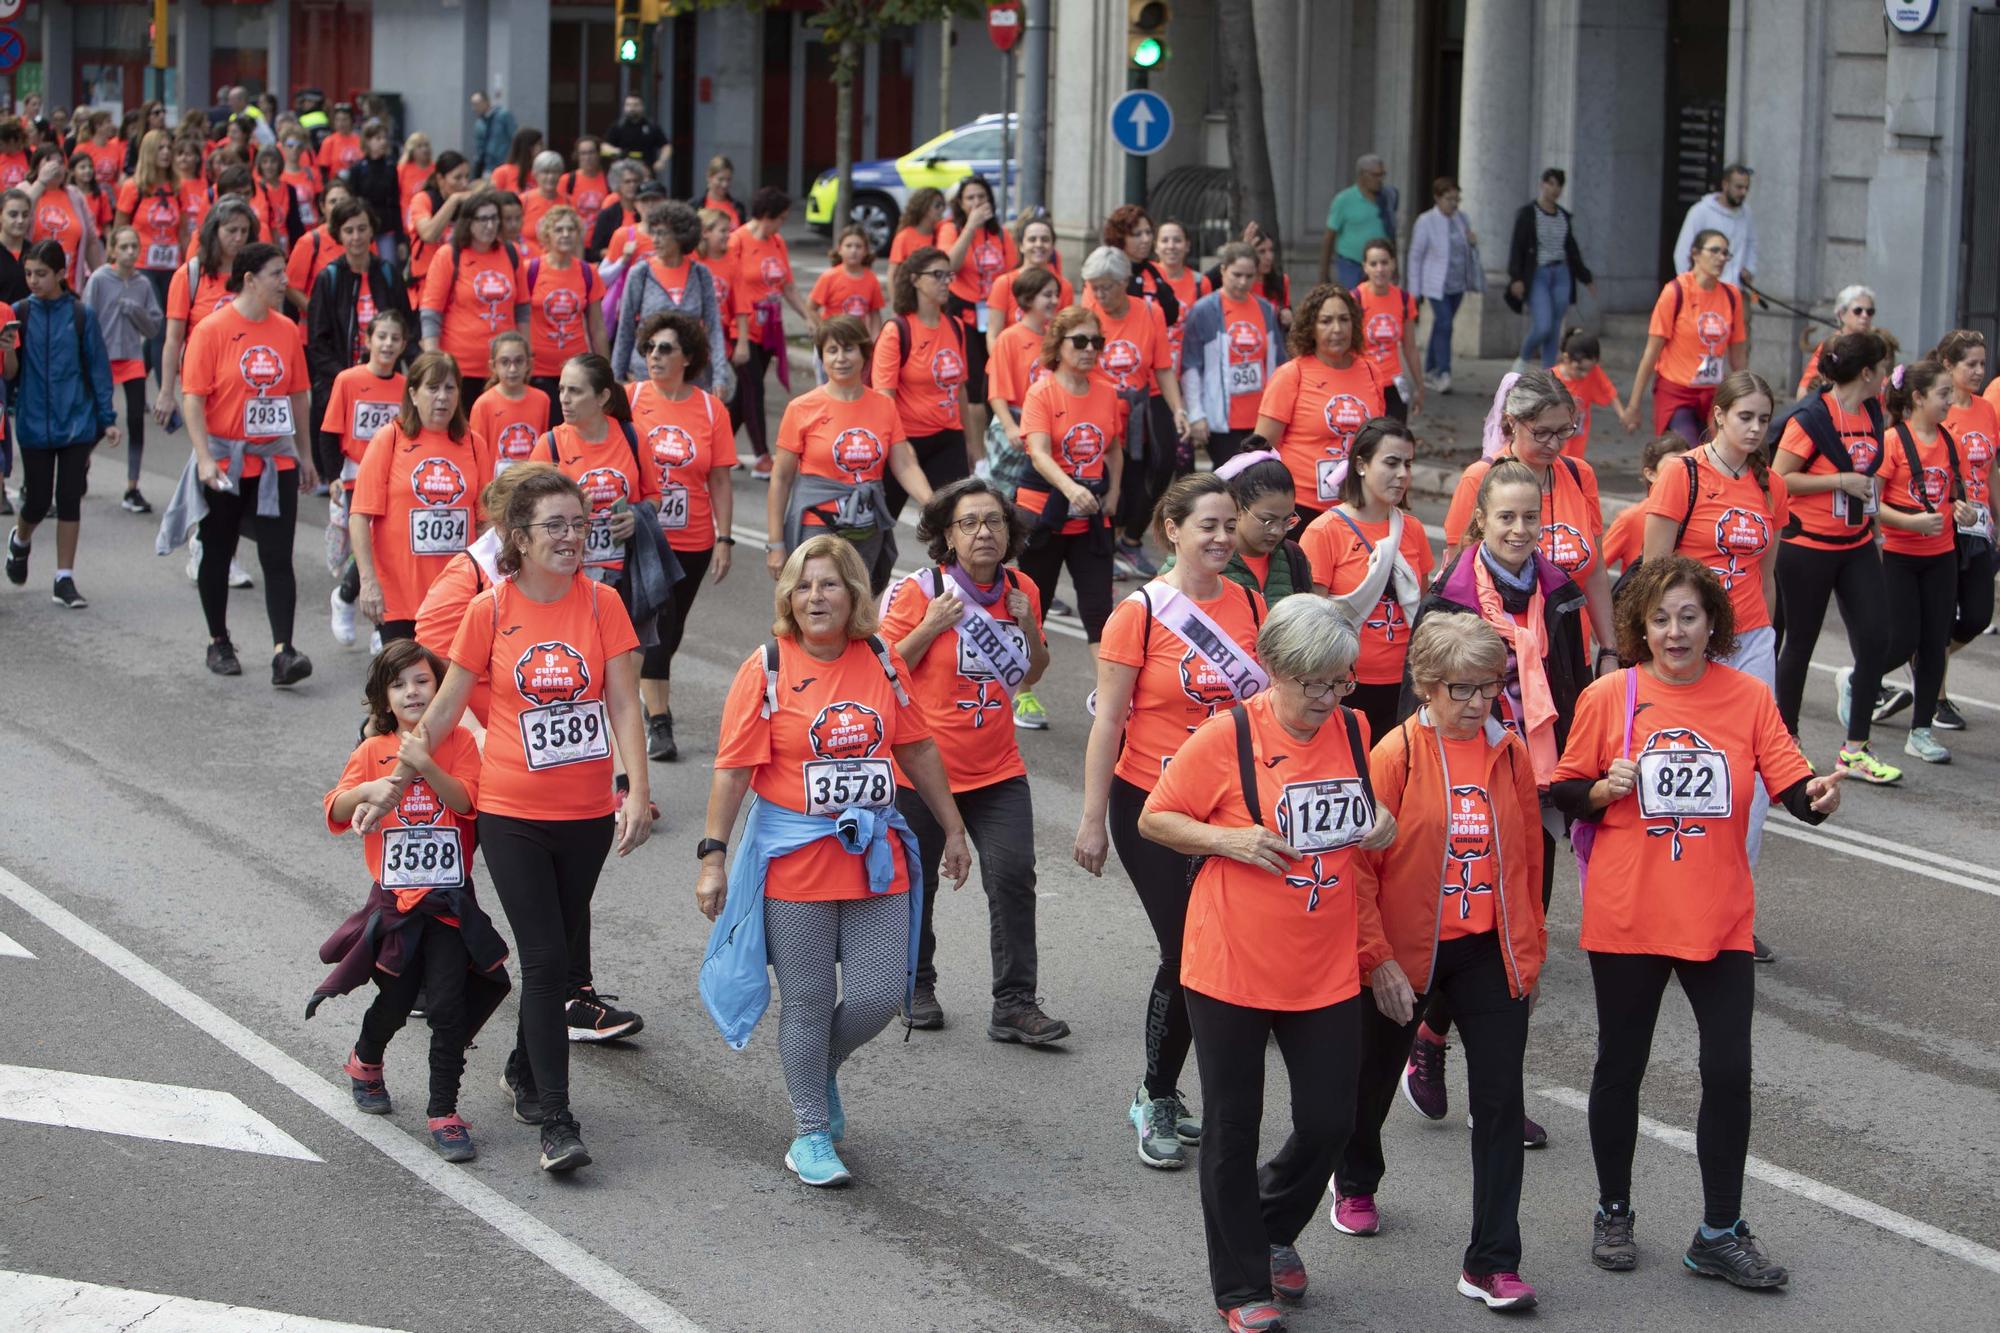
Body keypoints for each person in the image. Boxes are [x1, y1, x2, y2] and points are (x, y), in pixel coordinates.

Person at [1551, 557, 1843, 1289]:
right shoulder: (1609, 694)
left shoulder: (1745, 696)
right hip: (1629, 912)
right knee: (1621, 1066)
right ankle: (1613, 1208)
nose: (1675, 631)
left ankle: (1718, 1230)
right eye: (1660, 618)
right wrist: (1598, 788)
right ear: (1639, 627)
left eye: (1688, 616)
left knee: (1729, 1070)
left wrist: (1819, 795)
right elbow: (1561, 792)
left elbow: (1791, 782)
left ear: (1713, 622)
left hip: (1717, 917)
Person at [1139, 596, 1393, 1330]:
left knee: (1328, 1120)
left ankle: (1270, 1220)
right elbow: (1156, 816)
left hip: (1322, 961)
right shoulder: (1226, 737)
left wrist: (1380, 824)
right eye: (1311, 682)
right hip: (1231, 964)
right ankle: (1243, 1286)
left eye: (1338, 682)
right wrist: (1230, 841)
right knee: (1233, 1123)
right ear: (1275, 669)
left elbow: (1366, 818)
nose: (1325, 699)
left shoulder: (1354, 727)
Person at [696, 534, 970, 1186]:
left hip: (875, 852)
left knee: (879, 995)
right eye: (804, 584)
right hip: (795, 859)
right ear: (789, 596)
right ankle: (810, 1130)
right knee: (811, 998)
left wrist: (954, 829)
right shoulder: (765, 666)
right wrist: (712, 856)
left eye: (830, 583)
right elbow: (733, 772)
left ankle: (818, 1066)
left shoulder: (881, 658)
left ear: (853, 593)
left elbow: (919, 748)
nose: (816, 596)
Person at [400, 465, 649, 1172]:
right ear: (517, 535)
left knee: (557, 951)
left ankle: (523, 1065)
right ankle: (558, 1124)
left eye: (580, 524)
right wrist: (402, 768)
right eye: (556, 525)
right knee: (546, 961)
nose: (572, 537)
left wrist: (634, 791)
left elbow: (626, 703)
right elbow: (446, 705)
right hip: (511, 810)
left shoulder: (604, 606)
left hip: (586, 813)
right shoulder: (491, 609)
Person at [1336, 612, 1544, 1310]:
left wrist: (1527, 955)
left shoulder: (1509, 752)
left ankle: (1492, 1259)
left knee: (1500, 1099)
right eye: (1464, 687)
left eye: (1491, 685)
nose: (1481, 700)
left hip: (1486, 952)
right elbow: (1358, 869)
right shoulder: (1395, 754)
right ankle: (1356, 1175)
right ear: (1427, 685)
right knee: (1368, 1081)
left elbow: (1528, 864)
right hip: (1406, 953)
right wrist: (1377, 960)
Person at [1076, 473, 1269, 1171]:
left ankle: (1176, 1089)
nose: (1220, 537)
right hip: (1153, 807)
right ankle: (1156, 1093)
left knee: (1217, 953)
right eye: (1207, 526)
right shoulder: (1140, 614)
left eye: (1228, 524)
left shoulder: (1250, 602)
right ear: (1172, 530)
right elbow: (1109, 723)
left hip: (1231, 808)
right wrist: (1093, 817)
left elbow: (1264, 715)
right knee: (1186, 952)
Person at [1402, 458, 1591, 1143]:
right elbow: (1417, 694)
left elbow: (1574, 682)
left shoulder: (1558, 589)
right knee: (1465, 928)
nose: (1518, 528)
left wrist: (1581, 765)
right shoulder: (1450, 593)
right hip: (1461, 776)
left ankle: (1492, 1093)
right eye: (1504, 516)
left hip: (1534, 774)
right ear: (1480, 518)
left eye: (1530, 517)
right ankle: (1429, 1038)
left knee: (1519, 936)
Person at [879, 477, 1064, 1039]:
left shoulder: (1022, 588)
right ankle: (915, 984)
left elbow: (1033, 672)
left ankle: (1014, 1002)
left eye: (995, 521)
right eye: (970, 523)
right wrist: (931, 626)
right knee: (918, 883)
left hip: (997, 768)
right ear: (947, 536)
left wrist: (1029, 625)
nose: (984, 532)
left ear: (1010, 531)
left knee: (1013, 876)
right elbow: (881, 670)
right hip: (922, 769)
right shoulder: (919, 591)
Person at [317, 639, 508, 1163]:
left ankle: (444, 1110)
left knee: (448, 1007)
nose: (412, 692)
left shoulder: (462, 744)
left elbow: (468, 802)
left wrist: (424, 763)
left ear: (442, 687)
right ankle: (365, 1060)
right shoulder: (371, 751)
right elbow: (334, 807)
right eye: (398, 685)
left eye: (423, 681)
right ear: (384, 699)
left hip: (448, 903)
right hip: (395, 906)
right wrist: (372, 789)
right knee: (397, 1001)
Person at [157, 240, 318, 684]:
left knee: (277, 556)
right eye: (277, 274)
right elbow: (193, 400)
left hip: (273, 462)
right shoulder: (211, 330)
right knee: (218, 549)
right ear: (250, 279)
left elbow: (298, 397)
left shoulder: (286, 330)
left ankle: (284, 651)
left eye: (286, 273)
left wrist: (304, 455)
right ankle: (218, 641)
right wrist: (205, 459)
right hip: (226, 461)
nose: (286, 281)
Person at [1770, 331, 1899, 781]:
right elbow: (1778, 478)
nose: (1885, 375)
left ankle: (1855, 749)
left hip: (1857, 543)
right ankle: (1788, 745)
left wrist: (1876, 526)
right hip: (1806, 548)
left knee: (1877, 637)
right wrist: (1838, 481)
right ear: (1867, 372)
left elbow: (1869, 474)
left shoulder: (1871, 410)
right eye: (1882, 368)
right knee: (1799, 644)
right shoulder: (1811, 417)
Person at [627, 309, 736, 760]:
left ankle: (641, 696)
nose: (654, 355)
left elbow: (721, 479)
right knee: (656, 626)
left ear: (687, 357)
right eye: (649, 347)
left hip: (693, 541)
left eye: (665, 348)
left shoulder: (711, 408)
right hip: (645, 539)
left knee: (669, 634)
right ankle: (659, 722)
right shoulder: (630, 399)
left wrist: (725, 538)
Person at [1445, 371, 1615, 653]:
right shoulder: (1480, 478)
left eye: (1564, 430)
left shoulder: (1580, 475)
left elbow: (1596, 570)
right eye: (1542, 432)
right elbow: (1458, 580)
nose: (1555, 444)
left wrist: (1610, 649)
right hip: (1502, 657)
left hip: (1571, 653)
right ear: (1512, 422)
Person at [769, 316, 930, 592]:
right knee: (816, 601)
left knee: (858, 605)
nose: (841, 358)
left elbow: (904, 464)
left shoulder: (884, 406)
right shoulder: (801, 408)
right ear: (821, 357)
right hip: (818, 523)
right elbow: (781, 479)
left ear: (865, 353)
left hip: (867, 525)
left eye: (849, 349)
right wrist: (775, 543)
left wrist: (934, 503)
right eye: (832, 350)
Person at [1873, 359, 1982, 765]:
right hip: (1900, 556)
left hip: (1941, 556)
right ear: (1917, 398)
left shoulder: (1950, 441)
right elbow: (1872, 505)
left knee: (1934, 643)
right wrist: (1910, 522)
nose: (1949, 401)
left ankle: (1920, 732)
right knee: (1902, 640)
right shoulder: (1893, 442)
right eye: (1942, 394)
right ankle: (1863, 677)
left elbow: (1954, 495)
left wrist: (1963, 512)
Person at [349, 350, 492, 645]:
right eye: (432, 387)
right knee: (405, 687)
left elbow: (486, 523)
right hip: (400, 594)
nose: (442, 397)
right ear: (413, 394)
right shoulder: (389, 439)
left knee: (448, 686)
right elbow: (360, 515)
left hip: (458, 594)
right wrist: (367, 581)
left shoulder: (475, 444)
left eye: (449, 388)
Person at [1300, 418, 1433, 737]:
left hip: (1407, 684)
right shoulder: (1324, 531)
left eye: (1408, 464)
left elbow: (1423, 611)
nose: (1402, 474)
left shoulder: (1412, 529)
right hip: (1345, 687)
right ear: (1360, 464)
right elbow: (1314, 623)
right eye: (1391, 463)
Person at [5, 240, 116, 609]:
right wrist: (6, 348)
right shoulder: (21, 313)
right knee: (36, 500)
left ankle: (63, 578)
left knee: (69, 498)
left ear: (60, 274)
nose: (33, 281)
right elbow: (10, 374)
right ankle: (20, 541)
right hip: (34, 423)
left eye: (40, 274)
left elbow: (99, 370)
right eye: (28, 274)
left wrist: (108, 419)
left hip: (76, 423)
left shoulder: (81, 316)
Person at [1016, 305, 1125, 658]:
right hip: (1044, 513)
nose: (1090, 349)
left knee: (1100, 613)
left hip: (1091, 517)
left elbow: (1113, 449)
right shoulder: (1041, 393)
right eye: (1079, 341)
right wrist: (1071, 488)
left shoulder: (1107, 392)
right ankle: (1025, 692)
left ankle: (1110, 706)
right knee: (1035, 607)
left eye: (1097, 341)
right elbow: (1039, 453)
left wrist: (1114, 492)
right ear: (1058, 345)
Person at [1081, 245, 1188, 575]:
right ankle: (1104, 545)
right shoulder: (1089, 312)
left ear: (1125, 281)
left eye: (1107, 286)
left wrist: (1178, 409)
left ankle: (1131, 540)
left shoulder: (1150, 311)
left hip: (1144, 396)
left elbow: (1163, 367)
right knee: (1112, 473)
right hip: (1102, 400)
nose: (1100, 293)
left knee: (1163, 461)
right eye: (1094, 286)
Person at [1256, 283, 1385, 523]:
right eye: (1326, 321)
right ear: (1311, 328)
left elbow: (1377, 440)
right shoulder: (1291, 374)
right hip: (1301, 506)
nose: (1336, 329)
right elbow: (1259, 451)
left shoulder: (1371, 372)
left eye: (1344, 319)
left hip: (1357, 503)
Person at [306, 198, 412, 485]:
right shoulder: (329, 277)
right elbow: (317, 340)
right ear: (339, 235)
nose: (356, 237)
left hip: (385, 379)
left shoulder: (388, 273)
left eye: (362, 229)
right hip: (340, 378)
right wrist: (344, 376)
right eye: (349, 230)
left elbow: (407, 323)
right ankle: (333, 480)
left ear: (372, 231)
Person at [323, 311, 409, 645]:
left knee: (385, 549)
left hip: (394, 482)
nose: (388, 344)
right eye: (382, 336)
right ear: (368, 340)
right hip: (355, 478)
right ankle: (348, 598)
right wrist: (331, 476)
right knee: (370, 547)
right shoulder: (348, 379)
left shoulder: (406, 388)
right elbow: (330, 433)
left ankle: (373, 620)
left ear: (403, 345)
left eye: (395, 338)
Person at [1926, 329, 1996, 728]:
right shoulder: (1939, 409)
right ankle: (1936, 696)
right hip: (1945, 522)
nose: (1978, 371)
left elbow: (1990, 468)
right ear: (1948, 366)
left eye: (1983, 364)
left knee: (1976, 615)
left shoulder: (1986, 409)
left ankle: (1927, 658)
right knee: (1941, 612)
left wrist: (1997, 514)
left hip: (1979, 525)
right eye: (1970, 364)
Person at [1619, 230, 1748, 443]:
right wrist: (1634, 405)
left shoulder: (1731, 295)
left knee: (1717, 458)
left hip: (1714, 393)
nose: (1721, 258)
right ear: (1695, 254)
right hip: (1677, 392)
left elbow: (1739, 355)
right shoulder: (1675, 291)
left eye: (1726, 253)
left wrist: (1744, 398)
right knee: (1685, 452)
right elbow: (1651, 353)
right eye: (1715, 251)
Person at [873, 244, 969, 521]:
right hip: (906, 438)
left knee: (955, 522)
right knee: (881, 523)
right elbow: (884, 397)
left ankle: (948, 566)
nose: (945, 282)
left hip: (949, 438)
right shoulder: (897, 330)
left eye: (948, 275)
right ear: (914, 279)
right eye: (937, 275)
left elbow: (960, 388)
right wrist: (899, 444)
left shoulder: (955, 326)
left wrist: (972, 444)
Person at [728, 187, 812, 477]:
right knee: (755, 389)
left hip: (769, 328)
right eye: (781, 218)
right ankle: (762, 455)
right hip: (742, 328)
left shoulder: (777, 242)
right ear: (767, 215)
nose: (783, 224)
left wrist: (808, 317)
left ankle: (718, 449)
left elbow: (787, 285)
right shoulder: (737, 241)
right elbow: (728, 285)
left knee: (744, 395)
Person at [1180, 241, 1285, 468]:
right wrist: (1196, 414)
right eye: (1236, 274)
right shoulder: (1204, 310)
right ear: (1223, 270)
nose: (1243, 282)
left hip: (1260, 416)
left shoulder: (1266, 309)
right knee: (1231, 480)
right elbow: (1190, 365)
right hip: (1221, 419)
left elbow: (1278, 362)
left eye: (1249, 276)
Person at [608, 198, 730, 393]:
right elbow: (625, 328)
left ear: (681, 236)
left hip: (691, 375)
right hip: (646, 374)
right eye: (653, 232)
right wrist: (615, 378)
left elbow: (714, 327)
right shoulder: (641, 273)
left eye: (662, 233)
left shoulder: (700, 274)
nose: (654, 239)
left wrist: (720, 377)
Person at [81, 226, 163, 513]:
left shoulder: (142, 284)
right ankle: (81, 462)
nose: (130, 252)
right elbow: (86, 319)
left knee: (136, 423)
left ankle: (132, 486)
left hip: (131, 358)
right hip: (102, 359)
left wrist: (135, 310)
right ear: (112, 250)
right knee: (100, 422)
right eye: (124, 246)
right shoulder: (100, 279)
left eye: (134, 246)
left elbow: (154, 327)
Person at [419, 190, 527, 398]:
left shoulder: (511, 252)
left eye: (494, 218)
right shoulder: (449, 254)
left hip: (504, 368)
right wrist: (432, 360)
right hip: (460, 367)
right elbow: (431, 312)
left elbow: (522, 309)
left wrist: (526, 355)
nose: (490, 225)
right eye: (483, 219)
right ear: (468, 221)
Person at [934, 175, 1014, 434]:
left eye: (982, 197)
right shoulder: (951, 229)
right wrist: (970, 227)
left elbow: (1012, 271)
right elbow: (950, 266)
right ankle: (976, 448)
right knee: (974, 381)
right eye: (970, 198)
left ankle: (996, 435)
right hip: (964, 313)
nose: (977, 202)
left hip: (997, 314)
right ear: (961, 203)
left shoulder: (1000, 233)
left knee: (999, 376)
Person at [984, 265, 1061, 518]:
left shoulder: (1056, 338)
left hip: (1047, 426)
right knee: (1003, 499)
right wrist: (1009, 427)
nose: (1054, 301)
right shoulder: (1009, 337)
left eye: (1055, 294)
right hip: (1016, 424)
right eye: (1047, 295)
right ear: (1028, 298)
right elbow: (996, 390)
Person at [1505, 168, 1596, 371]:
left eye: (1559, 185)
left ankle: (1549, 371)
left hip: (1561, 273)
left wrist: (1585, 277)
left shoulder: (1563, 216)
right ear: (1542, 184)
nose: (1554, 189)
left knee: (1555, 326)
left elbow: (1571, 249)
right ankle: (1523, 358)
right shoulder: (1528, 214)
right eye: (1551, 183)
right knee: (1543, 324)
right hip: (1538, 273)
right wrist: (1516, 277)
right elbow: (1517, 247)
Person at [524, 205, 606, 399]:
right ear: (547, 235)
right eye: (559, 229)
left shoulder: (588, 272)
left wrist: (604, 370)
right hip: (537, 369)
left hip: (577, 368)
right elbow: (519, 321)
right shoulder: (530, 270)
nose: (566, 234)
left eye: (571, 229)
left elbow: (597, 327)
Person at [1602, 434, 1690, 575]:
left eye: (1687, 468)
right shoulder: (1630, 519)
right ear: (1650, 474)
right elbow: (1596, 569)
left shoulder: (1701, 512)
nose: (1680, 475)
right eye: (1671, 469)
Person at [1357, 238, 1424, 421]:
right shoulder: (1355, 299)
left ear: (1393, 264)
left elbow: (1410, 347)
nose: (1380, 269)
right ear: (1365, 267)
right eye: (1374, 263)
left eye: (1384, 262)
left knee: (1396, 440)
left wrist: (1419, 386)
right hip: (1364, 382)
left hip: (1395, 382)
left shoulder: (1404, 299)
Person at [470, 331, 549, 477]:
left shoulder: (542, 400)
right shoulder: (483, 404)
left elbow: (544, 448)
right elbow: (477, 454)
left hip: (533, 484)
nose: (512, 369)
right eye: (505, 362)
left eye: (519, 361)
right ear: (493, 366)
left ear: (529, 363)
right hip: (498, 488)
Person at [25, 147, 104, 288]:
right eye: (50, 162)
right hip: (33, 286)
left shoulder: (75, 195)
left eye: (61, 162)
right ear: (37, 167)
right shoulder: (25, 190)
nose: (56, 167)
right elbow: (22, 214)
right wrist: (41, 182)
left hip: (68, 287)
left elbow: (91, 241)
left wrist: (101, 277)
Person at [1672, 163, 1757, 290]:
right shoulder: (1700, 211)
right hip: (1706, 291)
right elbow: (1682, 253)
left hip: (1737, 290)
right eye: (1739, 187)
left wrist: (1750, 269)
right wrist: (1689, 286)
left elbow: (1752, 244)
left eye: (1746, 188)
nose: (1743, 192)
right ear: (1725, 185)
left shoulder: (1746, 214)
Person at [1319, 153, 1395, 290]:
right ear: (1362, 175)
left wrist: (1395, 265)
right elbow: (1329, 237)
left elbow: (1391, 234)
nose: (1380, 180)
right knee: (1353, 302)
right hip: (1351, 263)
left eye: (1382, 175)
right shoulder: (1344, 200)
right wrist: (1323, 273)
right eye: (1376, 175)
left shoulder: (1387, 198)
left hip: (1379, 264)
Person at [406, 151, 472, 290]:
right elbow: (429, 235)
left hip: (460, 282)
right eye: (457, 178)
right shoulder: (423, 199)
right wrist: (454, 200)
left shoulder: (468, 203)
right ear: (440, 179)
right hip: (427, 284)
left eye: (467, 177)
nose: (464, 183)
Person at [1151, 218, 1209, 370]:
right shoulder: (1145, 279)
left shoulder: (1200, 283)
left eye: (1177, 240)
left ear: (1187, 245)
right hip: (1152, 365)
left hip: (1189, 366)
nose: (1171, 246)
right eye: (1164, 240)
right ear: (1155, 246)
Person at [810, 226, 886, 340]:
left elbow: (875, 313)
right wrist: (825, 330)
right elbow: (811, 308)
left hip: (859, 340)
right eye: (848, 246)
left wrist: (876, 340)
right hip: (832, 339)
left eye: (858, 246)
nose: (853, 250)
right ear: (840, 249)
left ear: (866, 251)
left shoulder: (872, 279)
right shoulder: (829, 277)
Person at [1552, 327, 1618, 458]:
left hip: (1577, 442)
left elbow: (1608, 390)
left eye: (1588, 370)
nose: (1585, 374)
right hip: (1555, 441)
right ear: (1566, 358)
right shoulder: (1550, 379)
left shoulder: (1591, 374)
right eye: (1580, 369)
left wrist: (1624, 414)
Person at [1797, 285, 1874, 396]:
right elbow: (1802, 393)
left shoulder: (1874, 346)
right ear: (1841, 314)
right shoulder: (1831, 346)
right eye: (1858, 311)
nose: (1865, 315)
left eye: (1870, 311)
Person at [345, 121, 401, 261]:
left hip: (385, 225)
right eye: (378, 138)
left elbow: (395, 202)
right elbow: (352, 201)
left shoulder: (390, 166)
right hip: (364, 225)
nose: (383, 142)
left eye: (384, 138)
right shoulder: (358, 168)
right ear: (368, 141)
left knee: (388, 265)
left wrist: (399, 238)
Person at [886, 186, 944, 293]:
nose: (942, 210)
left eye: (942, 205)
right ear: (924, 208)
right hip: (911, 297)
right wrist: (896, 305)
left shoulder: (943, 232)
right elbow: (892, 275)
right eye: (937, 206)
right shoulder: (904, 236)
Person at [603, 94, 668, 173]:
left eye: (635, 105)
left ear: (642, 106)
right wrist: (617, 152)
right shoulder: (618, 126)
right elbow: (605, 147)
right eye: (628, 105)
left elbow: (666, 146)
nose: (631, 108)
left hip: (646, 170)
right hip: (623, 171)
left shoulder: (651, 127)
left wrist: (661, 161)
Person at [517, 151, 569, 249]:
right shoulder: (523, 201)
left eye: (555, 172)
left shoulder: (568, 202)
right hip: (527, 259)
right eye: (545, 172)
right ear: (535, 174)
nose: (550, 177)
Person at [468, 92, 517, 180]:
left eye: (476, 104)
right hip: (488, 167)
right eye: (472, 105)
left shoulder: (503, 116)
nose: (474, 108)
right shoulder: (479, 123)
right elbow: (479, 148)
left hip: (505, 164)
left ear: (486, 102)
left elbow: (515, 137)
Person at [315, 104, 364, 179]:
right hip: (336, 183)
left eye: (345, 120)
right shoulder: (329, 141)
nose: (341, 124)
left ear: (351, 120)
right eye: (337, 120)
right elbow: (323, 168)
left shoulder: (360, 140)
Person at [697, 154, 744, 230]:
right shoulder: (695, 206)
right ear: (709, 177)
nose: (725, 184)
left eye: (728, 180)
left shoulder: (738, 207)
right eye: (720, 179)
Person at [397, 132, 435, 215]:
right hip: (407, 216)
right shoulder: (403, 168)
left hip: (430, 214)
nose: (425, 149)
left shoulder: (435, 169)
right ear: (412, 151)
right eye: (419, 146)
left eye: (426, 145)